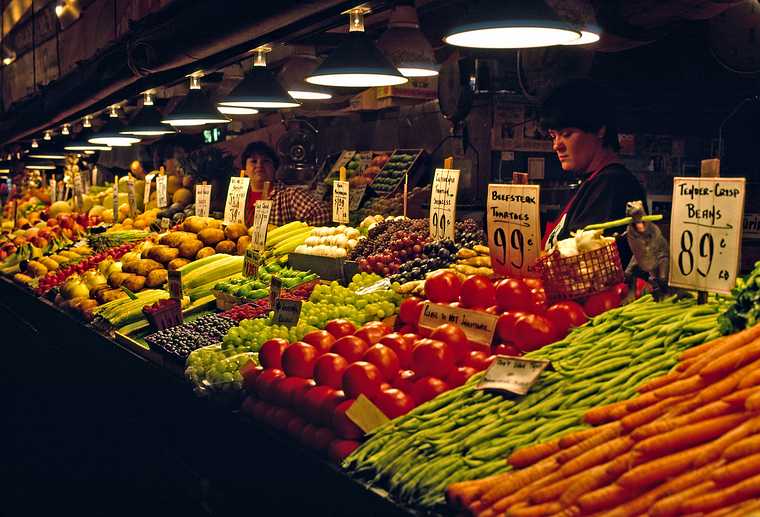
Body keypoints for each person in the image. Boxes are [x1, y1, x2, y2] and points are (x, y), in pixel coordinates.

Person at [540, 78, 647, 265]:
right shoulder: (592, 181)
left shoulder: (612, 184)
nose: (557, 145)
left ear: (599, 130)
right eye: (553, 135)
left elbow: (581, 266)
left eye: (567, 134)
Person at [241, 141, 330, 227]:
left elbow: (322, 213)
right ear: (244, 170)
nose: (259, 165)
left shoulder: (290, 195)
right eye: (253, 161)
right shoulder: (238, 197)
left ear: (274, 169)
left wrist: (291, 235)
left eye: (266, 161)